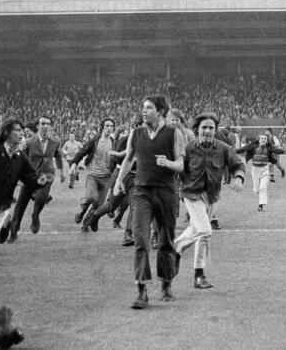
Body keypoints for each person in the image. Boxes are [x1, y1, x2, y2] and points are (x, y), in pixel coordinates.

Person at [113, 94, 185, 309]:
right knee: (141, 240)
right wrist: (118, 182)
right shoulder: (136, 133)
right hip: (142, 191)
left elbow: (180, 165)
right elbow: (127, 160)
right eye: (143, 107)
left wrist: (169, 163)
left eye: (149, 108)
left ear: (161, 111)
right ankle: (141, 290)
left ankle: (166, 283)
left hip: (166, 192)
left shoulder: (174, 134)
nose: (144, 111)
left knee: (165, 241)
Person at [174, 113, 244, 289]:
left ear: (215, 129)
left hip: (212, 197)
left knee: (196, 229)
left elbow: (238, 164)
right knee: (205, 231)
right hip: (192, 195)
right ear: (197, 129)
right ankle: (199, 275)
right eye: (204, 127)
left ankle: (174, 250)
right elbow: (178, 171)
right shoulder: (188, 148)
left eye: (211, 128)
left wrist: (239, 178)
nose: (207, 131)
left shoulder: (223, 148)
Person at [6, 114, 66, 241]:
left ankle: (35, 215)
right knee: (20, 206)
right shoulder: (29, 142)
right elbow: (20, 157)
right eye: (43, 124)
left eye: (48, 124)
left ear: (50, 126)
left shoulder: (55, 141)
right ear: (37, 126)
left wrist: (62, 171)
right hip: (30, 177)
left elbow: (58, 156)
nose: (45, 126)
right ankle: (13, 233)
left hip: (47, 176)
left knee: (41, 198)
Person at [0, 118, 47, 245]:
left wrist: (39, 182)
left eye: (22, 131)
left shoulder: (20, 156)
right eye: (18, 130)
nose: (22, 134)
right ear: (7, 132)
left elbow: (29, 178)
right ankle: (5, 224)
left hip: (2, 204)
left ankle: (4, 224)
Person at [69, 118, 115, 232]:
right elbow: (82, 152)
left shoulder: (114, 142)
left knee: (98, 205)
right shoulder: (95, 141)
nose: (109, 128)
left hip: (106, 177)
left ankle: (86, 224)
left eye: (111, 126)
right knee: (92, 198)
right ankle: (81, 211)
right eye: (107, 126)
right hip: (93, 175)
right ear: (102, 127)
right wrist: (74, 164)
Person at [237, 133, 283, 211]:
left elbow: (275, 151)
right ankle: (257, 191)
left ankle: (261, 206)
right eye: (262, 138)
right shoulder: (253, 146)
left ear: (267, 141)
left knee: (263, 188)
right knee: (257, 189)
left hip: (265, 169)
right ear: (259, 140)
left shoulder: (268, 148)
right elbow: (244, 148)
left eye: (265, 138)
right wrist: (233, 151)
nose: (263, 139)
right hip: (255, 170)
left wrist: (281, 151)